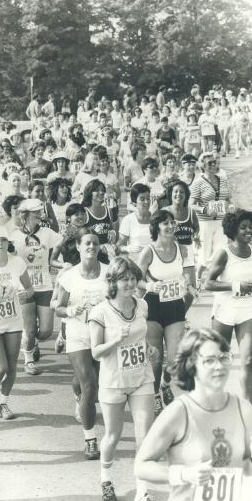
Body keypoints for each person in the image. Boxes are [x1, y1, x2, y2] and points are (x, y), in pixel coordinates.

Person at [134, 328, 252, 501]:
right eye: (209, 361)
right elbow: (141, 466)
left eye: (223, 358)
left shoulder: (244, 409)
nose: (219, 366)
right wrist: (184, 474)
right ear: (191, 365)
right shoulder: (178, 412)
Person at [89, 257, 156, 501]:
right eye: (124, 279)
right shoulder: (100, 312)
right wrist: (116, 340)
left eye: (133, 278)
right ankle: (106, 478)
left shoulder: (142, 306)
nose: (130, 283)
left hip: (141, 378)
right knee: (113, 436)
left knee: (145, 437)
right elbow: (96, 352)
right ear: (113, 282)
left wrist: (148, 348)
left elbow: (141, 336)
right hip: (113, 382)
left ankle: (142, 490)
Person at [56, 228, 108, 460]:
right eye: (86, 243)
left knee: (89, 385)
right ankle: (90, 439)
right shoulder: (69, 276)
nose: (91, 247)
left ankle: (78, 392)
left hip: (102, 336)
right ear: (78, 247)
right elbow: (56, 307)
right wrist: (69, 310)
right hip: (77, 334)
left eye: (95, 243)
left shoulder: (109, 273)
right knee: (90, 385)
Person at [138, 210, 195, 416]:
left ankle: (165, 383)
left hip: (175, 307)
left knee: (173, 361)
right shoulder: (148, 251)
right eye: (165, 223)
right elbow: (135, 278)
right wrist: (149, 286)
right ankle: (154, 397)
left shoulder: (182, 249)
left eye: (172, 223)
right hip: (153, 306)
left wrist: (190, 287)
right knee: (155, 358)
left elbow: (187, 277)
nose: (170, 226)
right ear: (157, 227)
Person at [0, 227, 34, 419]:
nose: (1, 244)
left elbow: (30, 288)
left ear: (8, 243)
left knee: (11, 367)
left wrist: (24, 294)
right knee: (0, 367)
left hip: (13, 321)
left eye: (4, 240)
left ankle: (3, 404)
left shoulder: (17, 262)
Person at [10, 199, 62, 375]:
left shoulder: (48, 233)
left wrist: (55, 260)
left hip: (45, 286)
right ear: (25, 215)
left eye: (40, 212)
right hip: (24, 286)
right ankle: (29, 359)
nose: (39, 215)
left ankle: (31, 341)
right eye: (36, 213)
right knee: (30, 328)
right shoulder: (15, 236)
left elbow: (61, 242)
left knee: (46, 331)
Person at [205, 210, 252, 403]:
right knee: (219, 361)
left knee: (248, 360)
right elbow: (208, 283)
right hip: (224, 312)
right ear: (233, 230)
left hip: (247, 311)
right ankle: (214, 402)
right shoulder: (224, 254)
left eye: (250, 227)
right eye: (243, 227)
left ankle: (248, 409)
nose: (248, 231)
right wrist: (236, 286)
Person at [190, 152, 230, 286]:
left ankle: (217, 279)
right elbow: (191, 204)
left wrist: (230, 207)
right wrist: (204, 209)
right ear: (203, 166)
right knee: (204, 254)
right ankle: (198, 276)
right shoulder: (198, 183)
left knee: (221, 249)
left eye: (214, 162)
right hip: (205, 222)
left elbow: (227, 199)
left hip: (221, 221)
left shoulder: (223, 179)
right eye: (209, 163)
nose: (213, 165)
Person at [118, 184, 152, 264]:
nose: (146, 202)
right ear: (134, 202)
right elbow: (119, 247)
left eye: (148, 198)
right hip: (135, 262)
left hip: (153, 262)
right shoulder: (128, 220)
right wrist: (128, 248)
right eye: (142, 199)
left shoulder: (156, 219)